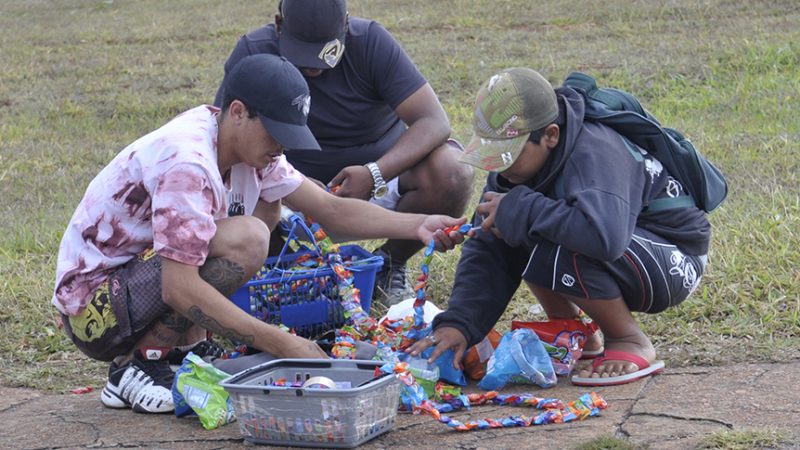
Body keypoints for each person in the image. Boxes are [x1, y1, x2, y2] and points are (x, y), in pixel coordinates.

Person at [52, 54, 466, 414]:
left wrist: (416, 223)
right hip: (96, 313)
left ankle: (184, 350)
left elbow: (330, 210)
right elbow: (179, 287)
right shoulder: (188, 163)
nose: (282, 147)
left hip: (133, 286)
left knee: (260, 218)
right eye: (277, 132)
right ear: (237, 112)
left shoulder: (247, 148)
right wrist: (283, 344)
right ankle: (136, 366)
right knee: (247, 237)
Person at [409, 68, 711, 386]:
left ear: (551, 135)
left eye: (508, 155)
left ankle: (628, 339)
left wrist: (520, 209)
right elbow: (488, 247)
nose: (500, 166)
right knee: (516, 224)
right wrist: (460, 324)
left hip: (671, 259)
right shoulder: (513, 170)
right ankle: (576, 332)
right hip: (627, 249)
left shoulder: (595, 150)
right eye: (493, 155)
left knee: (537, 225)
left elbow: (604, 237)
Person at [214, 0, 474, 305]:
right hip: (286, 190)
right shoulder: (254, 53)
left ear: (346, 26)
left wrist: (375, 173)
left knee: (453, 170)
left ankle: (388, 266)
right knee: (252, 194)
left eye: (325, 51)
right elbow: (226, 141)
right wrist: (290, 183)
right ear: (279, 24)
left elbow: (434, 120)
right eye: (301, 51)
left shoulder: (371, 42)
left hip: (372, 182)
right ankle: (283, 277)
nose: (313, 65)